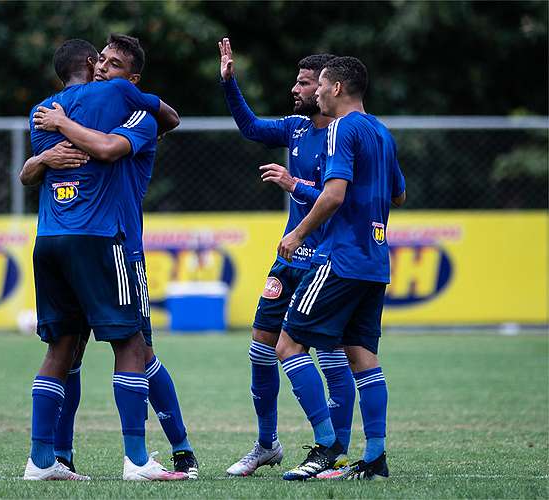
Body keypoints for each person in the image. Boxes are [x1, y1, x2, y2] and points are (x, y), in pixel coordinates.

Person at [26, 34, 199, 480]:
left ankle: (179, 448)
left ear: (133, 78)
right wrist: (44, 158)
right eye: (101, 60)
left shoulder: (57, 111)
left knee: (85, 349)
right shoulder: (110, 99)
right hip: (106, 242)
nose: (105, 67)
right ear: (89, 61)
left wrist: (59, 130)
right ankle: (108, 458)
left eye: (115, 63)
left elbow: (160, 122)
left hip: (69, 241)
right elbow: (40, 167)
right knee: (127, 348)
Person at [218, 38, 356, 477]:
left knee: (324, 353)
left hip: (326, 260)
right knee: (261, 349)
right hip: (289, 257)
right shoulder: (296, 127)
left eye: (304, 82)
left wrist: (294, 184)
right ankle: (267, 444)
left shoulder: (343, 135)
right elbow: (252, 128)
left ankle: (333, 445)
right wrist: (229, 84)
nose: (296, 88)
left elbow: (341, 201)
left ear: (327, 87)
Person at [273, 55, 406, 481]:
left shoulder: (341, 128)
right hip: (375, 261)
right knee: (362, 357)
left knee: (288, 346)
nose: (315, 93)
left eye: (321, 85)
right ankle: (374, 458)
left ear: (336, 89)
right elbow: (398, 195)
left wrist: (296, 236)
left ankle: (329, 447)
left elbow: (332, 195)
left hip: (340, 258)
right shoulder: (381, 132)